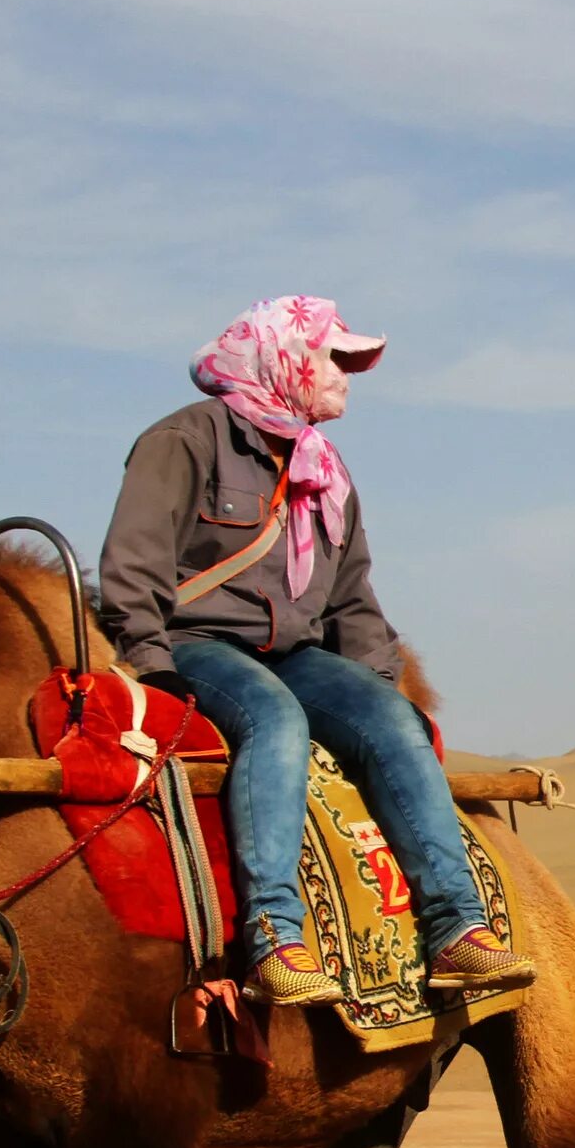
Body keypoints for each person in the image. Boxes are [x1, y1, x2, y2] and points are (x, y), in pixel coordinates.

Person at [98, 296, 533, 1006]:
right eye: (337, 359)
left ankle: (456, 929)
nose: (348, 376)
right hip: (196, 642)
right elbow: (133, 564)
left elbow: (351, 599)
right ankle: (274, 936)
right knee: (274, 721)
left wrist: (385, 689)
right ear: (287, 358)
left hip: (294, 651)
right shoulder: (184, 440)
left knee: (390, 726)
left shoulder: (324, 471)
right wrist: (153, 666)